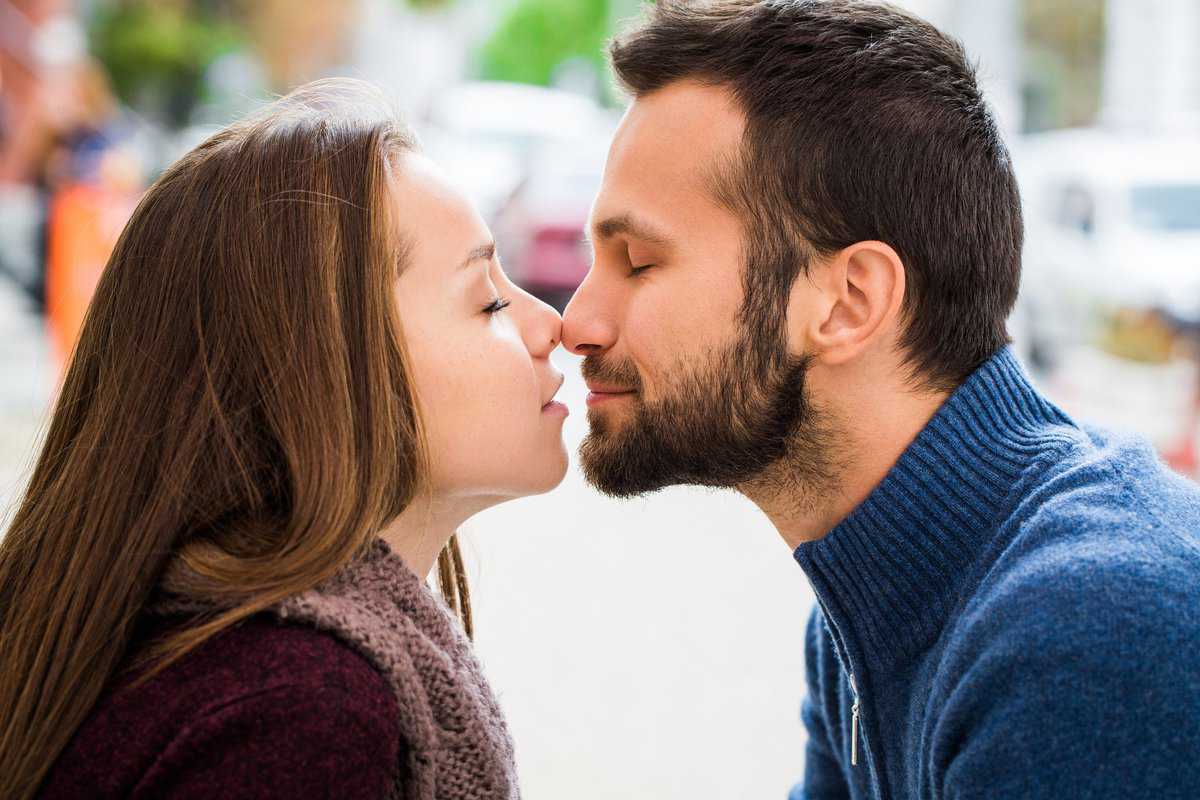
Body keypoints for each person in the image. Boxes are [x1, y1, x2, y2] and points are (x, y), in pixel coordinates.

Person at [561, 1, 1200, 798]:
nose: (576, 322)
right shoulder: (872, 600)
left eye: (640, 261)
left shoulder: (1090, 635)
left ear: (849, 302)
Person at [0, 78, 567, 799]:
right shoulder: (298, 715)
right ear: (323, 367)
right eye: (487, 300)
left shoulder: (251, 667)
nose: (551, 325)